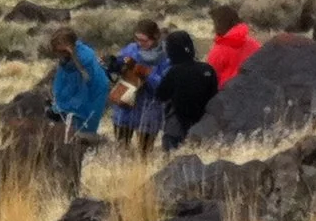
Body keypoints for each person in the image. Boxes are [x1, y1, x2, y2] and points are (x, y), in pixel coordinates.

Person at [156, 27, 222, 148]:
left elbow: (161, 95)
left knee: (172, 158)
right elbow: (214, 96)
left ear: (171, 51)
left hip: (176, 126)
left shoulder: (173, 72)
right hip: (203, 124)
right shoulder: (207, 69)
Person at [109, 18, 169, 149]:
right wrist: (114, 63)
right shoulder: (131, 48)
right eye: (137, 39)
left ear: (155, 37)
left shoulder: (164, 56)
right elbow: (121, 62)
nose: (139, 43)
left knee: (144, 153)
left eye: (144, 40)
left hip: (149, 108)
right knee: (120, 149)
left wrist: (145, 73)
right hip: (124, 105)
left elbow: (164, 85)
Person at [47, 24, 110, 137]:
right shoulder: (65, 57)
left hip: (93, 91)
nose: (59, 54)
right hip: (76, 87)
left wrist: (73, 55)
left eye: (61, 50)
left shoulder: (85, 55)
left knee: (85, 125)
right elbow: (64, 76)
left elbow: (86, 77)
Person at [207, 3, 261, 87]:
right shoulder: (254, 44)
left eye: (215, 23)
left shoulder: (219, 50)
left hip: (227, 96)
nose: (213, 29)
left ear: (221, 24)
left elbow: (210, 80)